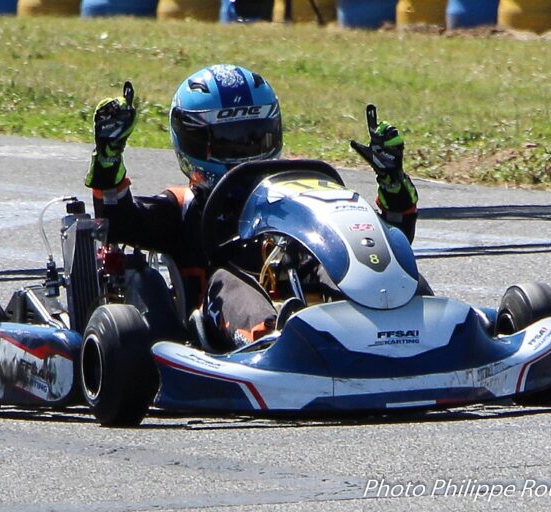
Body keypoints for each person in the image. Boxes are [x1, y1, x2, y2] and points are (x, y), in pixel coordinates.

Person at [84, 64, 418, 352]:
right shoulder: (183, 207)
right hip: (217, 333)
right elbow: (117, 222)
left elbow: (391, 239)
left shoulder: (296, 196)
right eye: (229, 141)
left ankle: (404, 319)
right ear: (192, 140)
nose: (243, 152)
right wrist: (109, 158)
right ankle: (274, 339)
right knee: (227, 279)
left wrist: (392, 182)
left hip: (317, 304)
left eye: (253, 137)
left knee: (352, 263)